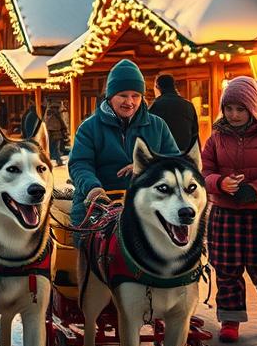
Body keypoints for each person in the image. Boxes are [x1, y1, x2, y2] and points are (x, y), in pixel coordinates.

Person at [202, 76, 257, 341]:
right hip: (224, 213)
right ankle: (230, 319)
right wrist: (219, 183)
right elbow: (205, 170)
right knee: (227, 269)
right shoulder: (216, 137)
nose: (234, 114)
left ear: (252, 109)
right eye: (229, 108)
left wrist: (256, 189)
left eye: (240, 109)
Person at [68, 59, 179, 225]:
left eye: (135, 96)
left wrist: (147, 167)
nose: (130, 102)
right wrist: (93, 189)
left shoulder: (157, 126)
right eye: (123, 95)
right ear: (110, 96)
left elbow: (175, 162)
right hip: (100, 203)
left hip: (148, 202)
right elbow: (79, 164)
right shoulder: (89, 127)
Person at [149, 74, 200, 150]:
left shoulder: (155, 106)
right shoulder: (188, 105)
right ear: (174, 86)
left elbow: (149, 134)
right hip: (185, 154)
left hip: (164, 155)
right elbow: (195, 135)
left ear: (158, 87)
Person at [43, 100, 69, 166]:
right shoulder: (55, 113)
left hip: (51, 132)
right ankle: (58, 161)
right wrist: (64, 128)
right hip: (55, 132)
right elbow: (61, 122)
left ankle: (56, 160)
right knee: (56, 147)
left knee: (53, 148)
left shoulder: (48, 112)